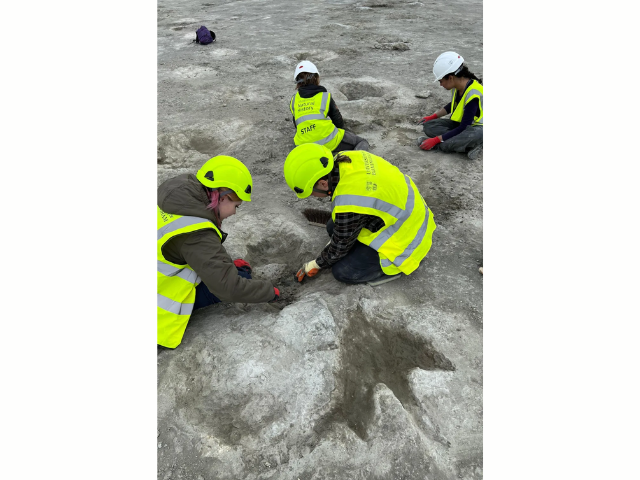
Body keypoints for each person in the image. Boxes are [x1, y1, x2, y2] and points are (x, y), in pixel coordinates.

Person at [157, 156, 280, 349]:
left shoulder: (178, 192)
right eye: (236, 206)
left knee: (236, 273)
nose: (234, 213)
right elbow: (228, 287)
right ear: (223, 198)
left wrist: (226, 265)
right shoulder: (196, 233)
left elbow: (193, 250)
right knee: (240, 278)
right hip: (159, 309)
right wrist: (269, 292)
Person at [283, 143, 437, 284]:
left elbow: (340, 246)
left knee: (343, 272)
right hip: (403, 213)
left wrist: (317, 263)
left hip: (407, 238)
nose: (312, 196)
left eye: (311, 192)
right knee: (332, 227)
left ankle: (391, 270)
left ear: (323, 184)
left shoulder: (350, 200)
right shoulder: (348, 158)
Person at [290, 60, 370, 153]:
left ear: (297, 82)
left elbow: (297, 124)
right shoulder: (325, 96)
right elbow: (338, 122)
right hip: (329, 141)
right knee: (361, 142)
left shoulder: (294, 100)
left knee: (295, 148)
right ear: (316, 78)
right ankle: (353, 161)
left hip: (304, 145)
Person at [416, 52, 483, 160]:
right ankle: (465, 145)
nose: (440, 84)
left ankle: (467, 143)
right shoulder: (458, 87)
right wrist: (433, 117)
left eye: (441, 81)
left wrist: (436, 140)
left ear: (451, 78)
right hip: (461, 125)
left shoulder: (473, 93)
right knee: (429, 126)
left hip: (477, 129)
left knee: (465, 137)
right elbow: (453, 105)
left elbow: (464, 127)